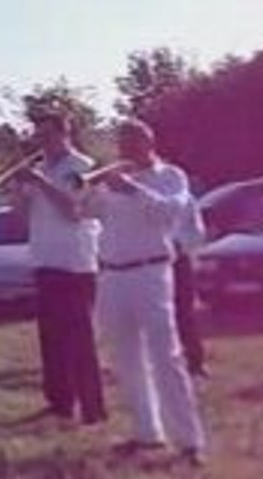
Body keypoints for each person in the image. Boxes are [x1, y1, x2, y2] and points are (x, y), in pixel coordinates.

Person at [83, 119, 206, 466]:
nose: (124, 151)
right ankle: (147, 432)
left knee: (167, 357)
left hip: (151, 273)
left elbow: (170, 213)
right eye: (121, 145)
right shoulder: (112, 181)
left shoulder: (171, 176)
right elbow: (84, 213)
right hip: (111, 275)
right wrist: (89, 189)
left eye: (131, 144)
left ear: (148, 143)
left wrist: (133, 190)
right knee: (126, 360)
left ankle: (189, 441)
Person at [12, 112, 106, 425]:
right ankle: (60, 402)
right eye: (39, 137)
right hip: (44, 259)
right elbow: (24, 218)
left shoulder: (83, 166)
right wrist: (19, 189)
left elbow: (74, 212)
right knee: (50, 338)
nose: (43, 143)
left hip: (75, 263)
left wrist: (39, 181)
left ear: (65, 134)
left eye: (49, 136)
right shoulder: (42, 169)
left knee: (80, 339)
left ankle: (93, 408)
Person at [173, 193, 208, 377]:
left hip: (178, 261)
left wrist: (180, 244)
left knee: (184, 312)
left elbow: (197, 232)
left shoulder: (184, 197)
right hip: (149, 261)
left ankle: (195, 361)